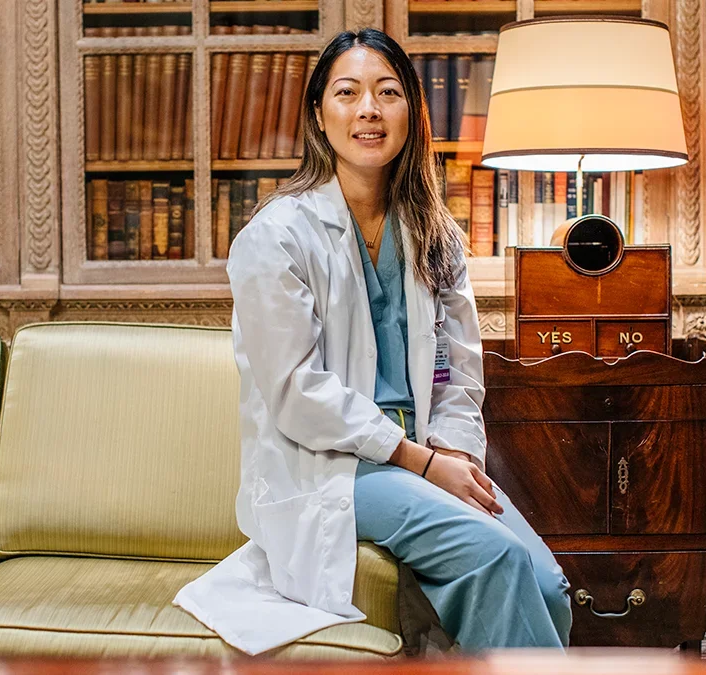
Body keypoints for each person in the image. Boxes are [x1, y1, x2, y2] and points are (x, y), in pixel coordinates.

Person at [173, 27, 571, 656]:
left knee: (550, 586)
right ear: (318, 114)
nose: (369, 110)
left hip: (427, 456)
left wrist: (454, 454)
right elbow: (297, 394)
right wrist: (418, 461)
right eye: (348, 93)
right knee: (495, 557)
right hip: (336, 467)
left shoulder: (435, 232)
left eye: (388, 93)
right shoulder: (276, 237)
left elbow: (459, 373)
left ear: (412, 110)